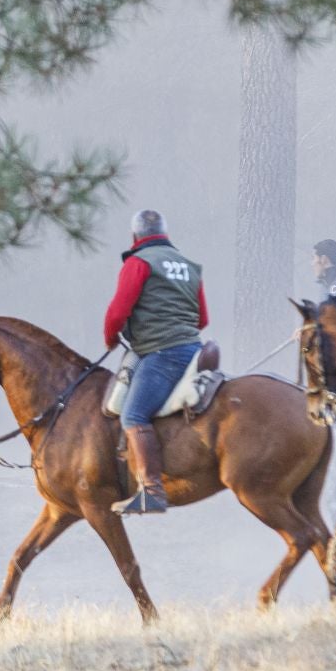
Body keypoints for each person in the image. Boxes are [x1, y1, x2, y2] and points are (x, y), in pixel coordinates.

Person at [102, 209, 208, 516]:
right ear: (165, 232)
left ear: (135, 236)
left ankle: (151, 491)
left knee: (133, 415)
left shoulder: (138, 263)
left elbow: (118, 312)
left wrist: (110, 339)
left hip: (161, 352)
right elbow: (203, 318)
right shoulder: (189, 266)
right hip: (192, 349)